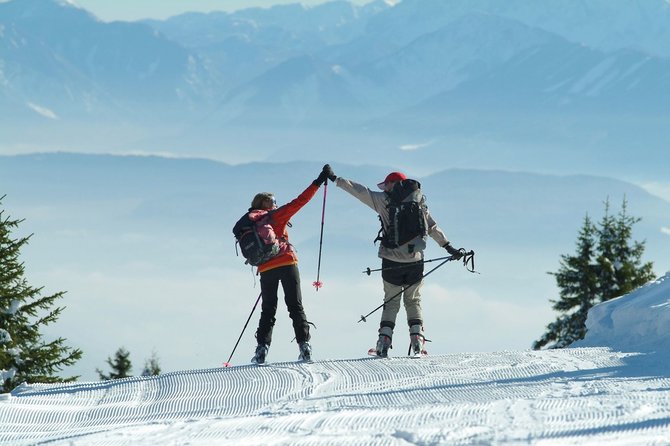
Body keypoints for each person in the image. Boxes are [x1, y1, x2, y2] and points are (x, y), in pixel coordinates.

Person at [328, 169, 464, 357]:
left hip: (390, 261)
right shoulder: (419, 203)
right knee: (413, 300)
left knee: (391, 302)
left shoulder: (383, 200)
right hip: (416, 260)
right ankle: (417, 339)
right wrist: (448, 247)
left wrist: (336, 179)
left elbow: (359, 191)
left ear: (392, 184)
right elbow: (432, 227)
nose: (385, 188)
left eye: (387, 184)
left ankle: (384, 341)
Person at [235, 165, 333, 364]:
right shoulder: (274, 217)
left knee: (268, 309)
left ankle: (261, 350)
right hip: (287, 262)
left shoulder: (251, 221)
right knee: (295, 306)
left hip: (266, 268)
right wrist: (318, 181)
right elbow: (300, 201)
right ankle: (304, 347)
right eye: (274, 202)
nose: (276, 205)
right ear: (267, 204)